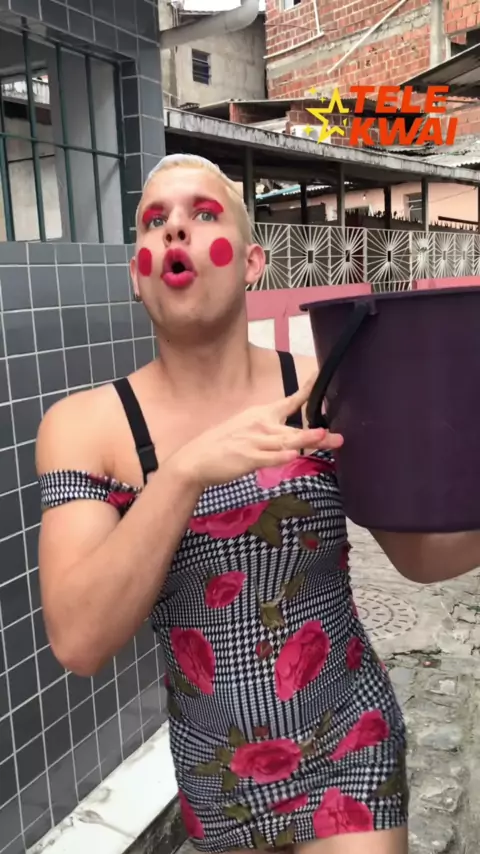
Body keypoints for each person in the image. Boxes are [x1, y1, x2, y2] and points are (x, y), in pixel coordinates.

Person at [36, 154, 480, 854]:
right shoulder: (85, 427)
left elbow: (416, 557)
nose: (175, 229)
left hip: (349, 739)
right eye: (154, 221)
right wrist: (184, 473)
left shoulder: (323, 387)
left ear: (251, 263)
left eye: (203, 213)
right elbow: (80, 640)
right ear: (136, 275)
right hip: (216, 772)